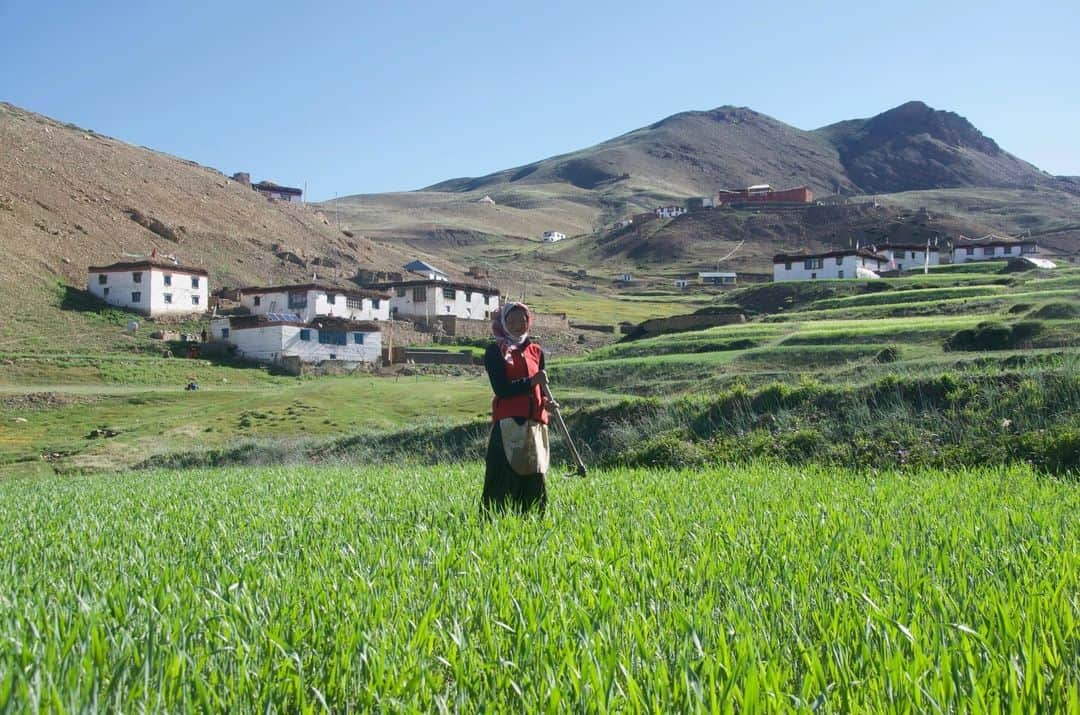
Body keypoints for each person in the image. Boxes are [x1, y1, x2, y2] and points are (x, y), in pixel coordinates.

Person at [482, 302, 554, 515]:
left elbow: (540, 385)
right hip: (509, 424)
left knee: (535, 476)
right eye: (511, 320)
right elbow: (502, 389)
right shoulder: (495, 352)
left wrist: (546, 403)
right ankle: (495, 522)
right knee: (503, 479)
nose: (517, 325)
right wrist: (532, 382)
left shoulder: (536, 351)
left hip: (535, 424)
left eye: (522, 320)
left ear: (528, 321)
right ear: (503, 323)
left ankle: (532, 521)